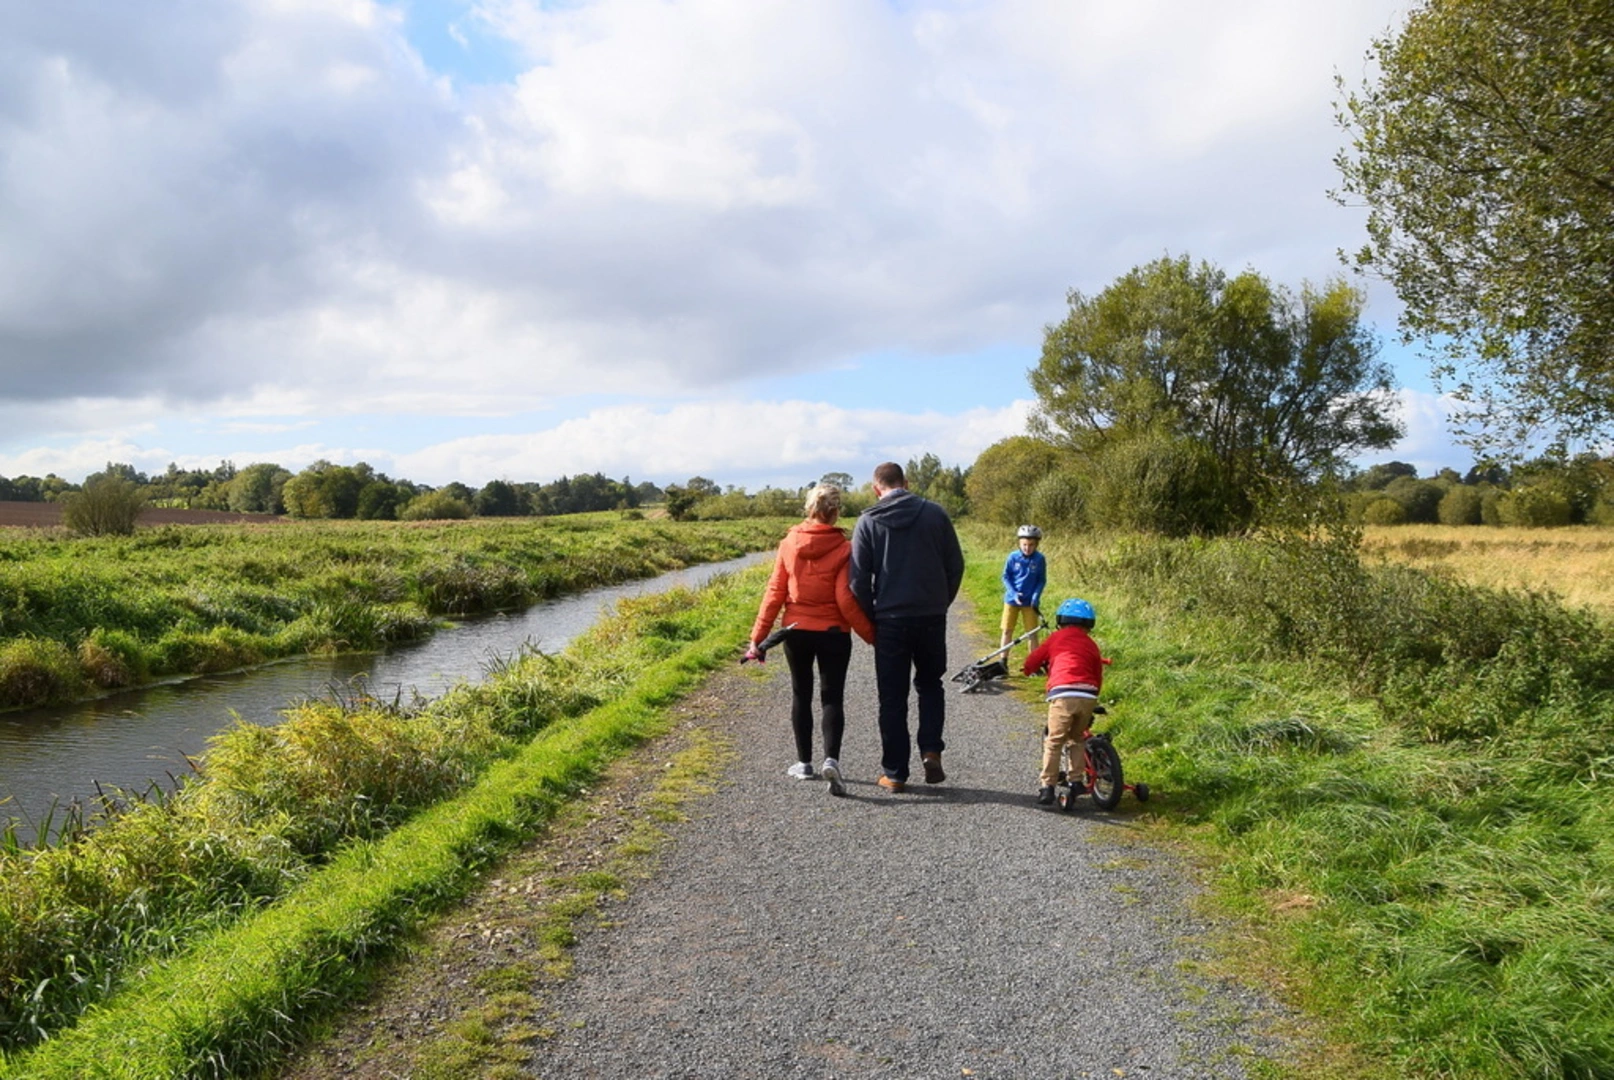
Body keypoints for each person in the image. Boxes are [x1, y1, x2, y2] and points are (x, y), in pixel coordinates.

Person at [748, 483, 874, 796]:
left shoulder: (789, 543)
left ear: (809, 508)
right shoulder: (845, 548)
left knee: (800, 694)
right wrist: (873, 637)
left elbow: (775, 592)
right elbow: (845, 598)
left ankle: (803, 764)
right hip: (833, 633)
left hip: (795, 631)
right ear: (835, 512)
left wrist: (757, 639)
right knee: (832, 697)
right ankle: (831, 759)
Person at [849, 462, 964, 793]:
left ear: (876, 489)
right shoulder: (936, 513)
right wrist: (940, 603)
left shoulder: (868, 520)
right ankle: (931, 750)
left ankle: (896, 773)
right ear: (906, 483)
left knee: (892, 697)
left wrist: (873, 618)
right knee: (930, 685)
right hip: (930, 616)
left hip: (890, 620)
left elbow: (857, 580)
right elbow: (955, 565)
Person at [1021, 598, 1108, 806]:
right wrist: (1094, 695)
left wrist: (1027, 669)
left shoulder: (1056, 638)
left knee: (1054, 741)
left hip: (1064, 694)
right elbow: (1097, 672)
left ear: (1061, 620)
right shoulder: (1091, 644)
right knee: (1077, 738)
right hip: (1088, 694)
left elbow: (1035, 659)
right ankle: (1076, 781)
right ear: (1089, 624)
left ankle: (1047, 786)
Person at [1000, 524, 1046, 653]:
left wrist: (1036, 596)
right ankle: (1003, 661)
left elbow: (1041, 580)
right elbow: (1005, 577)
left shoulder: (1039, 559)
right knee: (1007, 630)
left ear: (1036, 544)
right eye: (1024, 544)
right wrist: (1013, 593)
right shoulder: (1013, 557)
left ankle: (1033, 664)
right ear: (1019, 543)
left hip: (1029, 602)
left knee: (1032, 633)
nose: (1027, 548)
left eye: (1031, 545)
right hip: (1011, 600)